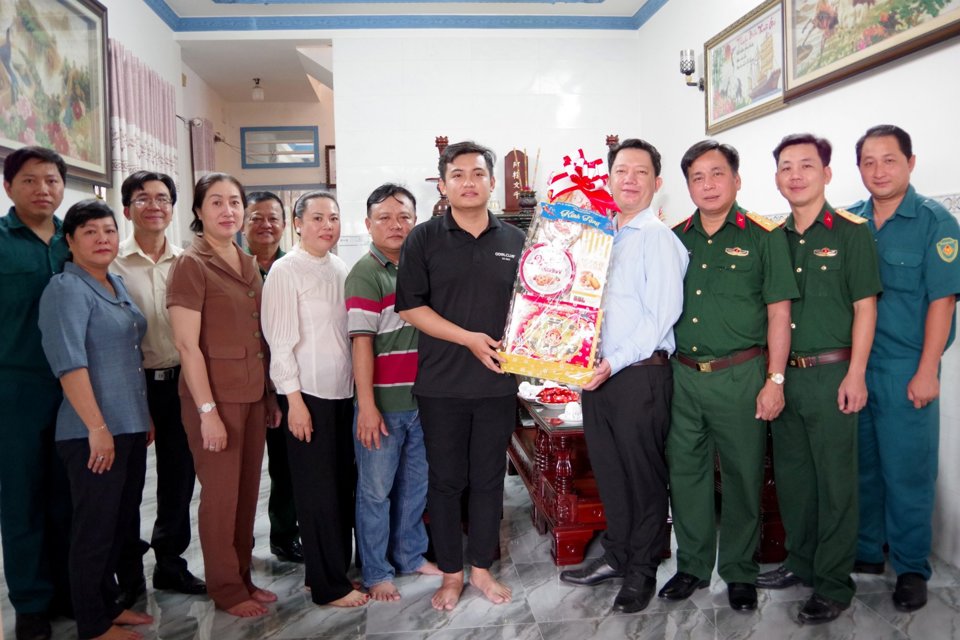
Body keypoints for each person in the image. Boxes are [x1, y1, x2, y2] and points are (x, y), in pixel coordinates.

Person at [661, 140, 798, 612]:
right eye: (697, 177)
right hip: (683, 378)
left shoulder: (764, 236)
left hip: (742, 375)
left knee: (742, 477)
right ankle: (693, 566)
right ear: (688, 186)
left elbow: (779, 314)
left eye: (717, 174)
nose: (708, 185)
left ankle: (739, 571)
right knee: (686, 474)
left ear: (736, 180)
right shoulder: (675, 237)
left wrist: (774, 381)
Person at [756, 134, 881, 624]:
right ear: (777, 178)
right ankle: (800, 562)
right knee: (793, 480)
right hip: (785, 377)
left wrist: (856, 373)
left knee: (835, 484)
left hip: (833, 375)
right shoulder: (772, 237)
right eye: (786, 167)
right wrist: (774, 377)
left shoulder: (852, 232)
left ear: (827, 173)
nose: (796, 175)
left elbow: (865, 308)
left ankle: (833, 583)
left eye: (807, 166)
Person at [558, 139, 688, 614]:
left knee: (643, 476)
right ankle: (616, 555)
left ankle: (642, 570)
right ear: (608, 179)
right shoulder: (604, 235)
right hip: (599, 376)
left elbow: (661, 316)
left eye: (640, 172)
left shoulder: (659, 239)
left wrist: (612, 362)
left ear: (657, 183)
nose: (629, 179)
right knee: (611, 473)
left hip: (638, 374)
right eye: (621, 171)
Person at [395, 140, 525, 611]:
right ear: (444, 184)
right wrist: (468, 337)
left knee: (490, 479)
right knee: (446, 481)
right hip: (441, 384)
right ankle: (451, 574)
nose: (468, 182)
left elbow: (530, 309)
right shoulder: (423, 238)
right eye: (458, 175)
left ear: (492, 182)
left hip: (496, 383)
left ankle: (482, 570)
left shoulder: (515, 240)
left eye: (477, 173)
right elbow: (410, 308)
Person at [848, 124, 960, 612]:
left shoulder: (936, 222)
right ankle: (868, 553)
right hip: (855, 366)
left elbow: (944, 300)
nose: (879, 171)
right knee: (863, 468)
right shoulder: (849, 221)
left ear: (910, 163)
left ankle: (912, 567)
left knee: (909, 472)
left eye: (889, 160)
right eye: (869, 162)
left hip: (905, 367)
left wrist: (928, 369)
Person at [38, 198, 155, 640]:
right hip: (89, 432)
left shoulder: (113, 284)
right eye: (90, 232)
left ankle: (108, 606)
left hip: (128, 425)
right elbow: (69, 364)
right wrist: (97, 428)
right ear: (69, 241)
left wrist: (139, 417)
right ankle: (92, 622)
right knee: (94, 528)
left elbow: (127, 354)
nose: (102, 239)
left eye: (108, 230)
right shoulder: (65, 289)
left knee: (120, 522)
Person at [166, 173, 281, 618]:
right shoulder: (190, 264)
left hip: (252, 394)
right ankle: (226, 588)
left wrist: (268, 395)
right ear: (198, 211)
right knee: (220, 496)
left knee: (247, 491)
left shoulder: (246, 259)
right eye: (216, 203)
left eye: (235, 202)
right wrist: (207, 411)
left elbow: (258, 335)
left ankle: (244, 576)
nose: (228, 211)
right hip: (213, 398)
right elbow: (186, 345)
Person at [261, 191, 367, 607]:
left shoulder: (339, 266)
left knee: (341, 486)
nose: (327, 225)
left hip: (341, 393)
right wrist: (295, 402)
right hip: (307, 395)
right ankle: (328, 587)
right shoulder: (286, 271)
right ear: (298, 224)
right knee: (317, 492)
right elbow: (280, 343)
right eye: (318, 217)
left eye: (334, 217)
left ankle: (328, 571)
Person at [111, 171, 206, 606]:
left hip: (179, 383)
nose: (154, 206)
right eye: (143, 198)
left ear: (174, 208)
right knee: (126, 482)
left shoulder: (189, 261)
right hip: (129, 385)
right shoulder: (109, 262)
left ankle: (170, 562)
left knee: (178, 477)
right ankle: (126, 571)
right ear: (127, 206)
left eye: (163, 198)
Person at [345, 184, 441, 601]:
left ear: (415, 220)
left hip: (422, 404)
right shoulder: (365, 273)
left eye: (403, 216)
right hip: (383, 406)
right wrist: (367, 407)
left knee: (415, 488)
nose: (395, 224)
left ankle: (410, 556)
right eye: (384, 217)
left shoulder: (421, 268)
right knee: (375, 493)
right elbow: (361, 342)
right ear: (368, 224)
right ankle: (376, 571)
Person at [0, 146, 73, 640]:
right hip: (16, 386)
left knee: (69, 493)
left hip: (76, 387)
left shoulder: (77, 238)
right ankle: (30, 601)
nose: (42, 189)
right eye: (30, 180)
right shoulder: (1, 242)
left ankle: (70, 589)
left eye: (50, 180)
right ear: (9, 187)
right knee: (22, 495)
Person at [242, 191, 302, 564]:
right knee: (240, 470)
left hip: (285, 384)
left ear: (286, 224)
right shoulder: (231, 267)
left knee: (286, 466)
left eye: (273, 218)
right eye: (256, 218)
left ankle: (284, 534)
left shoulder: (293, 265)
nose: (265, 225)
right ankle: (237, 544)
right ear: (243, 224)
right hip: (242, 384)